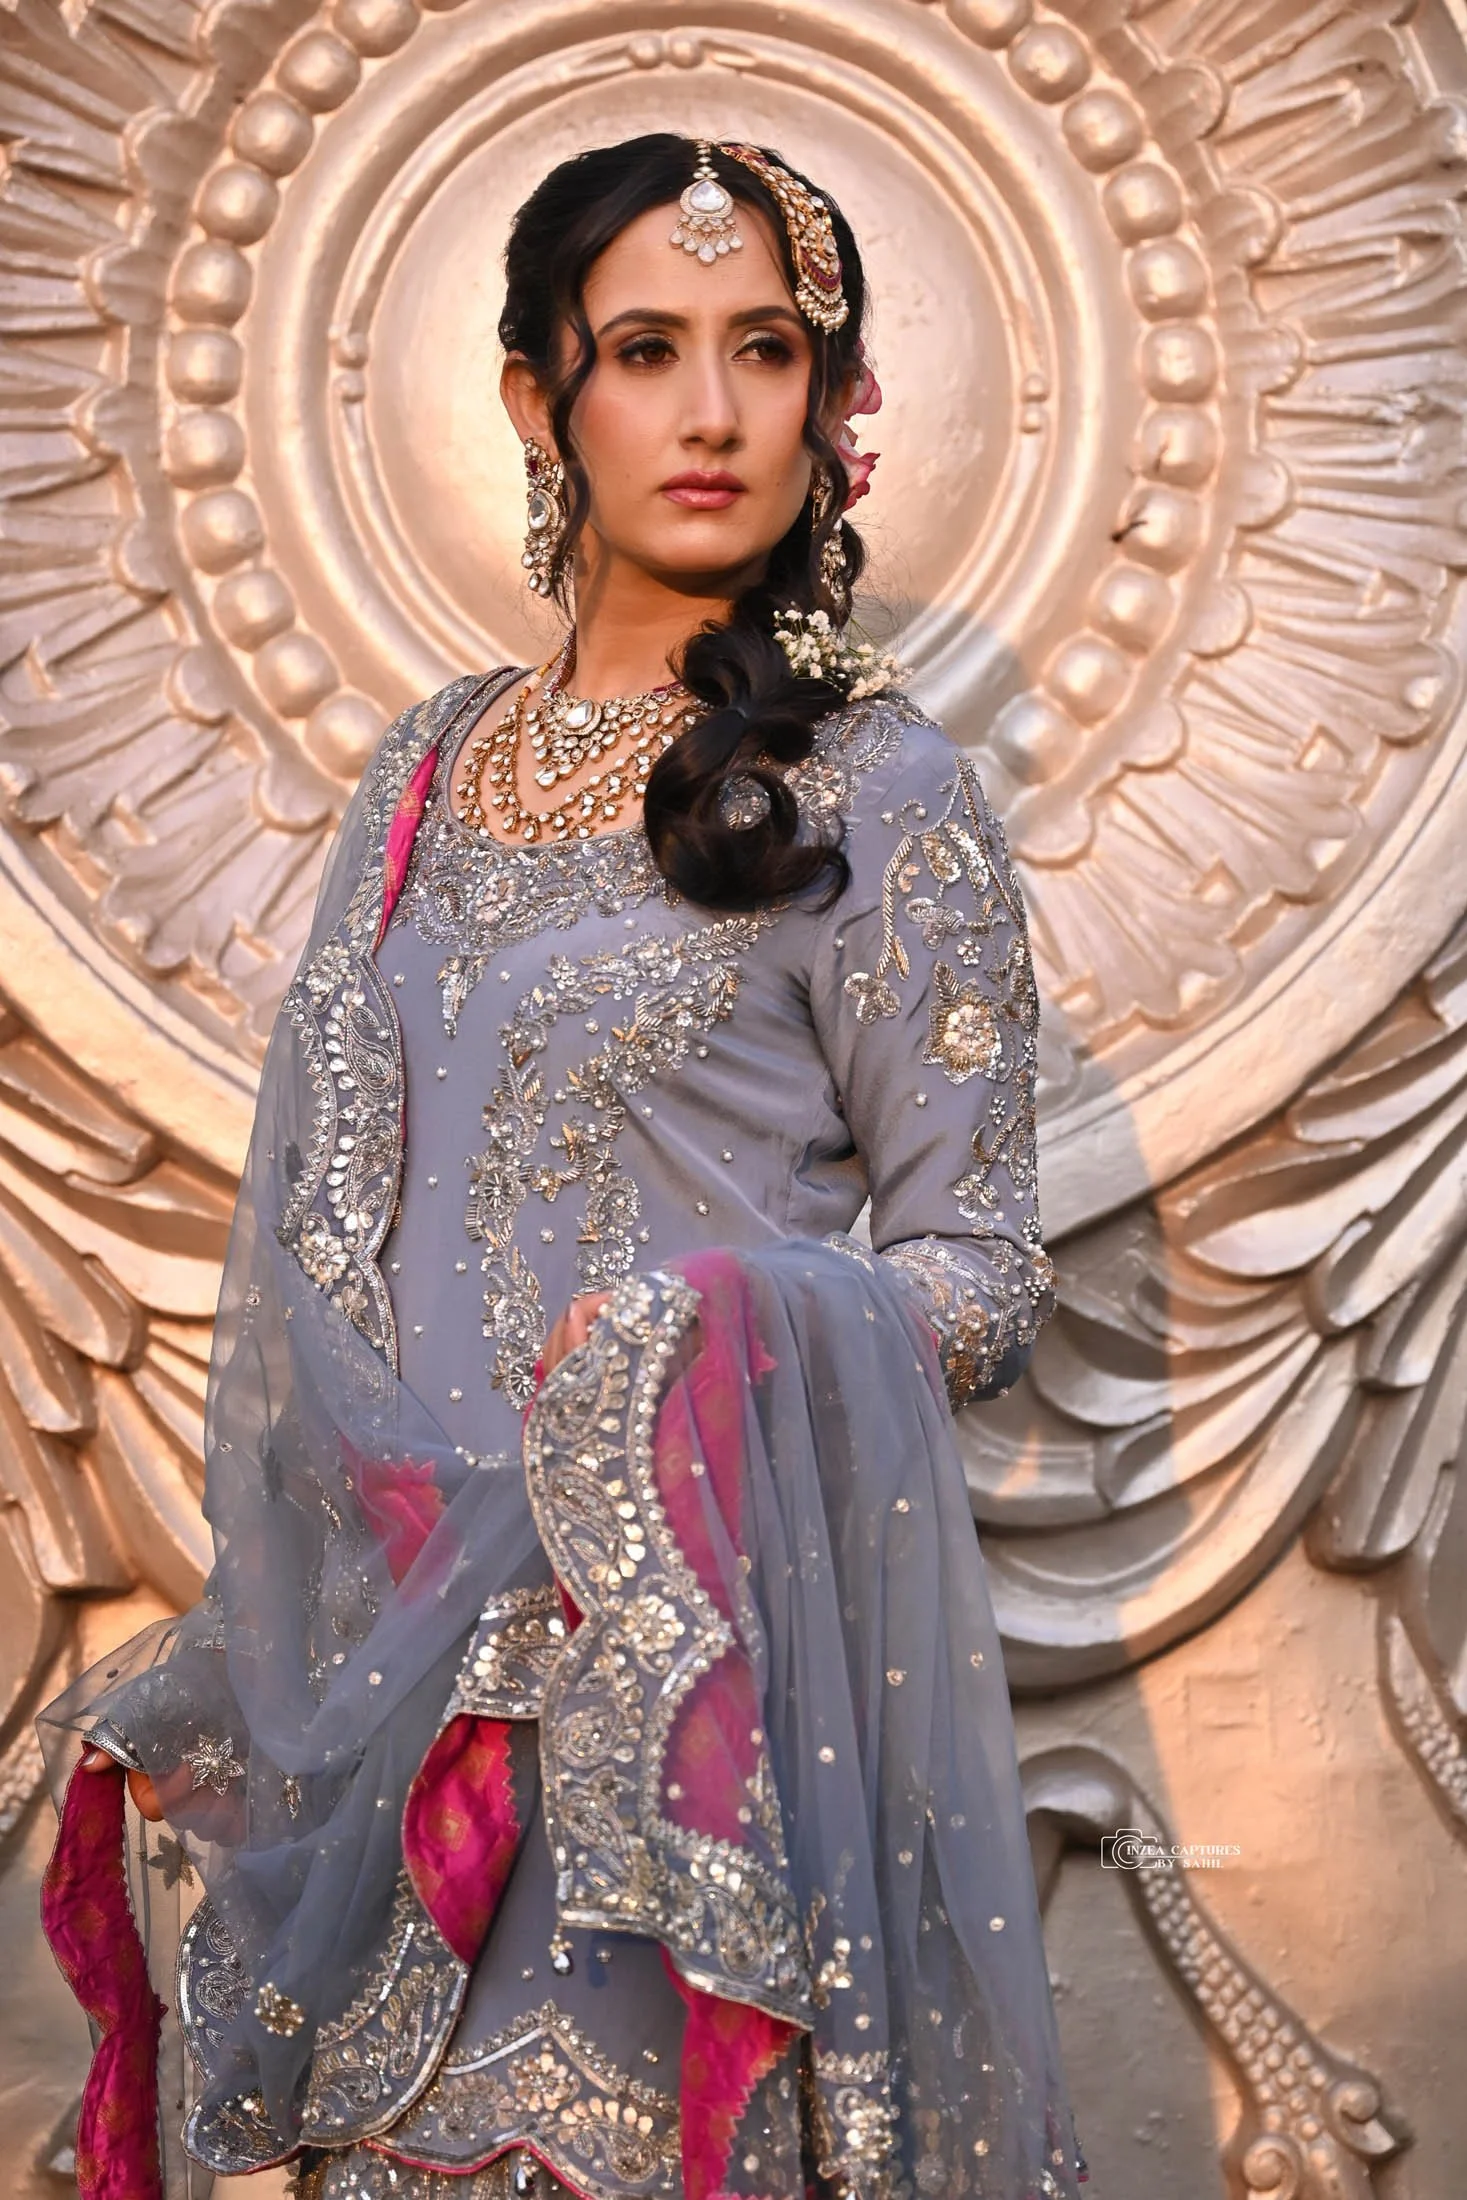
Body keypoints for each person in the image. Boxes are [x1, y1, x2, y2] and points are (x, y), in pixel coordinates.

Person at [38, 134, 1088, 2200]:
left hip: (674, 1716)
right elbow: (326, 1231)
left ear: (831, 400)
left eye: (766, 349)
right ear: (539, 396)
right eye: (644, 348)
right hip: (394, 1699)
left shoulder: (874, 784)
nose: (709, 411)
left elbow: (983, 1272)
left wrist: (714, 1331)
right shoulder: (423, 763)